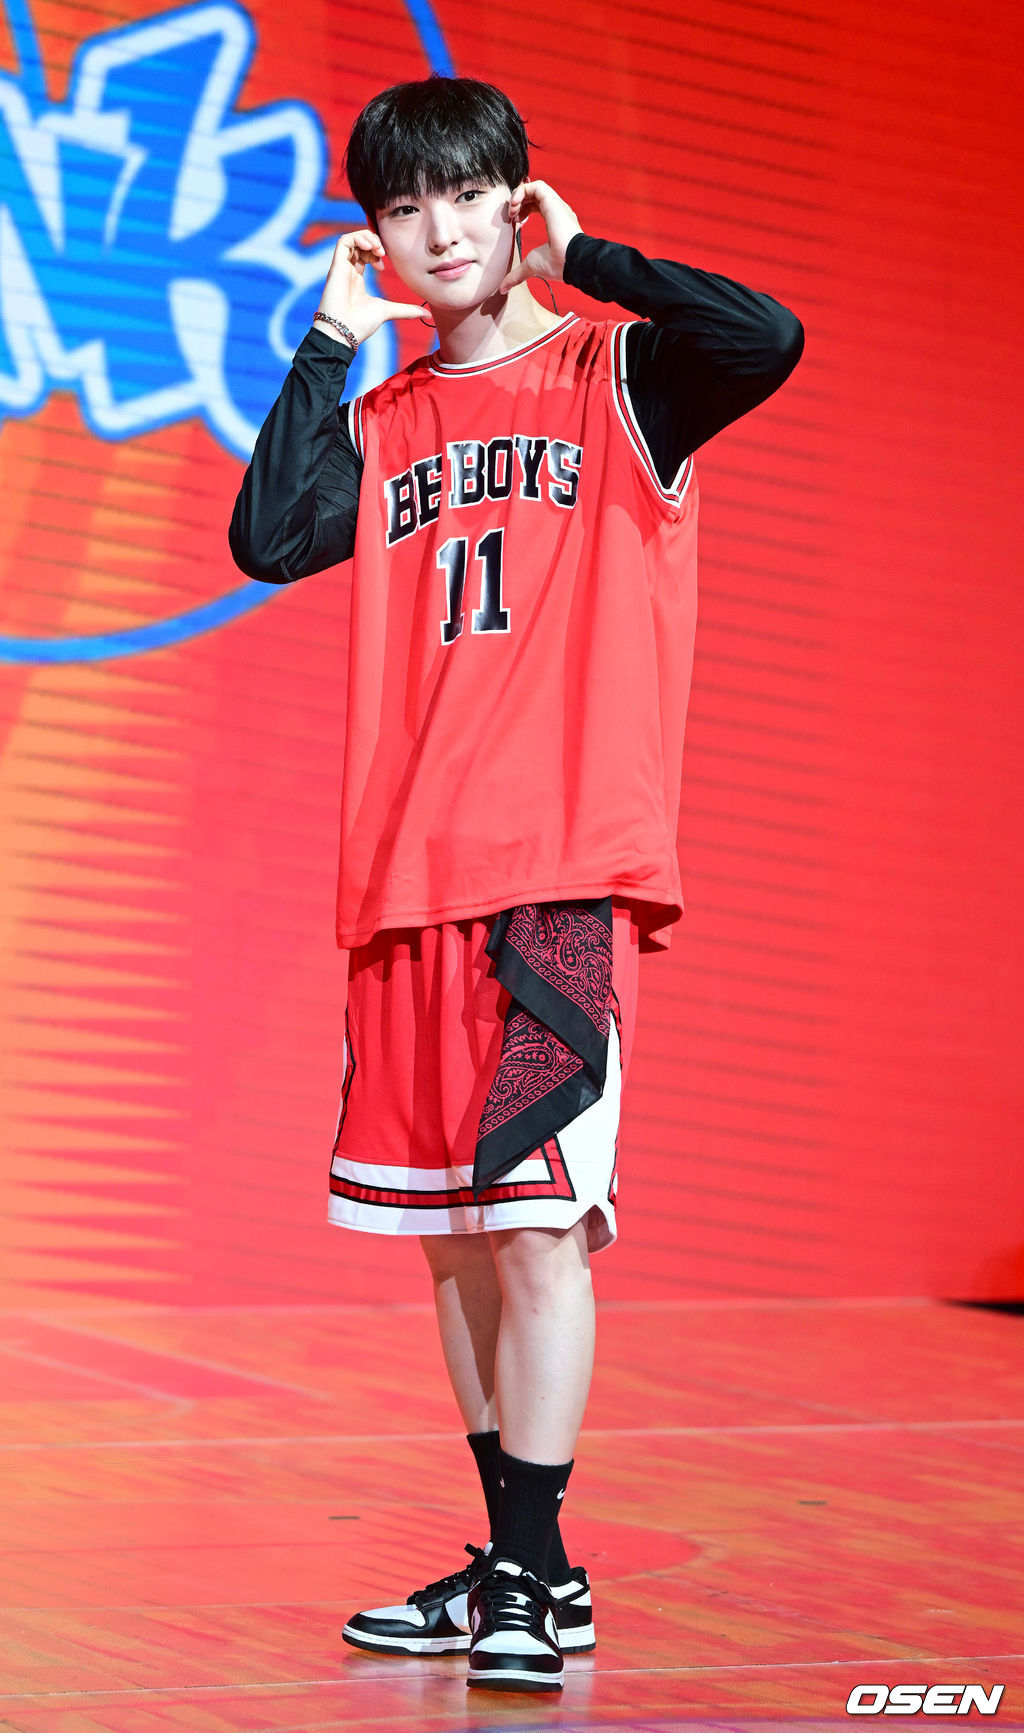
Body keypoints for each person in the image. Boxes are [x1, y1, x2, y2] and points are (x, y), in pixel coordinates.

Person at [229, 75, 803, 1694]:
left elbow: (766, 337)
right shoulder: (389, 419)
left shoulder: (620, 375)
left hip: (555, 869)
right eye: (405, 208)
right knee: (459, 1244)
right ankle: (511, 1562)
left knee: (540, 1231)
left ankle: (539, 1572)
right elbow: (268, 537)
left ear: (516, 199)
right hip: (406, 877)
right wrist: (330, 342)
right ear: (378, 234)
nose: (441, 231)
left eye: (469, 195)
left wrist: (591, 258)